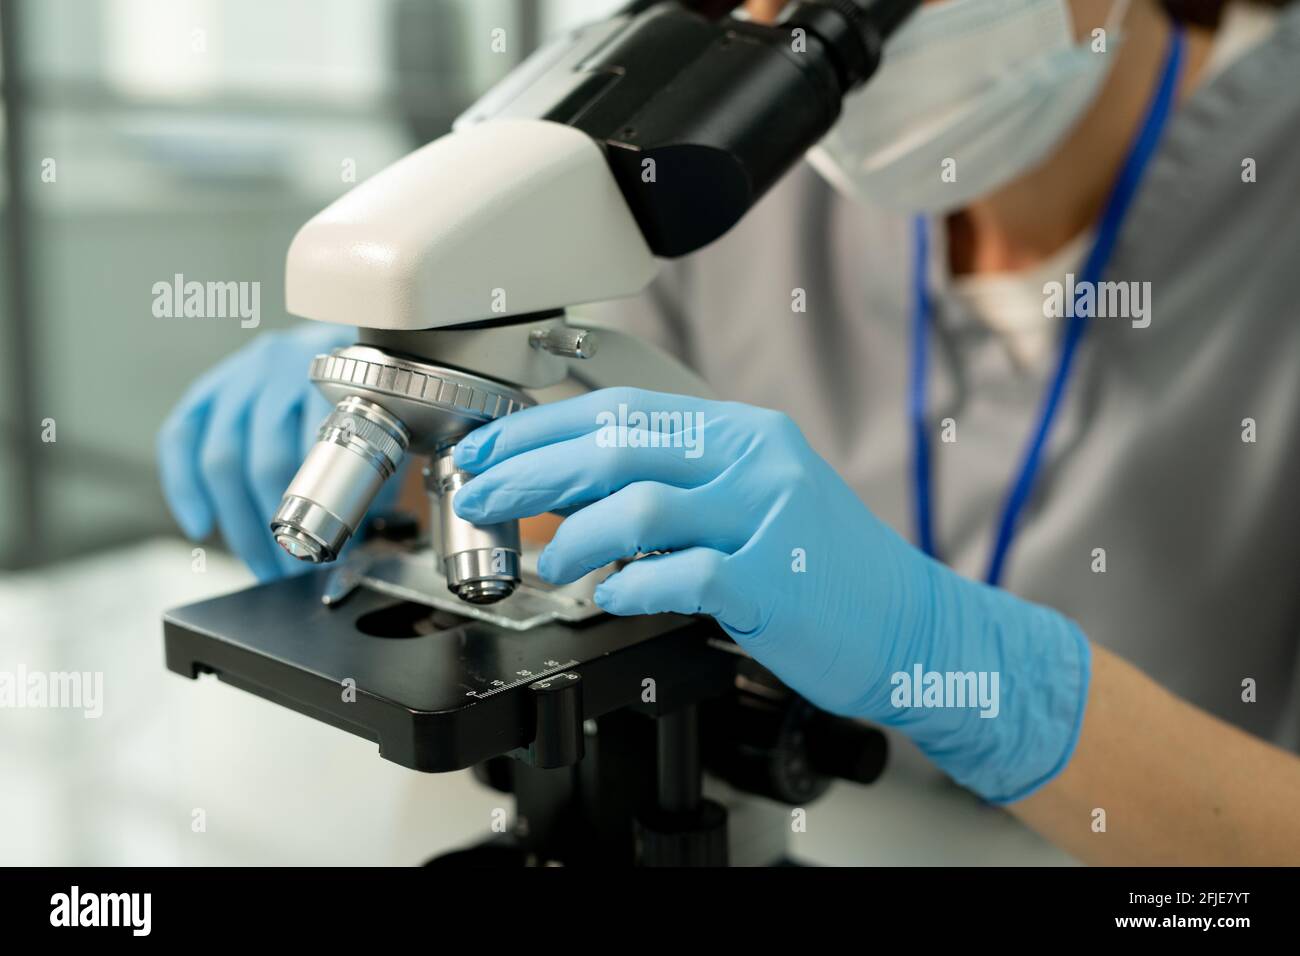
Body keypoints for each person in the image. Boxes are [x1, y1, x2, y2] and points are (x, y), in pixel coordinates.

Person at [158, 0, 1300, 864]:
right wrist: (401, 444)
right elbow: (590, 467)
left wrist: (980, 673)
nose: (769, 23)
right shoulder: (749, 180)